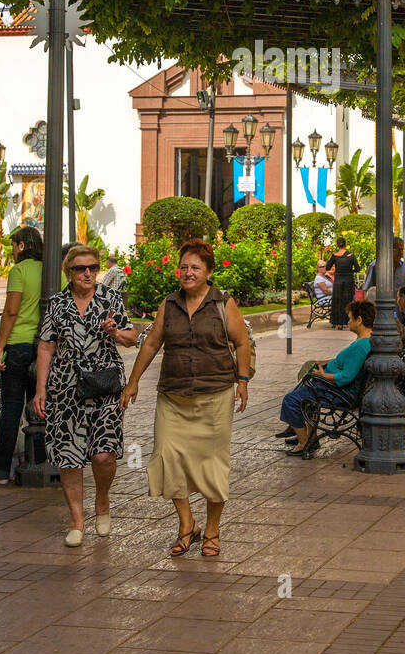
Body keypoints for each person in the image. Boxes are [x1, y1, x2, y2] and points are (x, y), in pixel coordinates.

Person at [121, 238, 251, 559]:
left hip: (215, 394)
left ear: (208, 271)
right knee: (167, 458)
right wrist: (133, 381)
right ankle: (186, 525)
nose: (188, 272)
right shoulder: (170, 304)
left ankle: (212, 531)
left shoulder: (223, 303)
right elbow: (152, 343)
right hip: (173, 395)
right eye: (183, 267)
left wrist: (243, 380)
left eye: (195, 267)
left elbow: (243, 342)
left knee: (212, 465)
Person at [34, 243, 138, 546]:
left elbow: (132, 337)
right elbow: (45, 346)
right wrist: (41, 389)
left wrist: (115, 333)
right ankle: (77, 521)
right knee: (69, 456)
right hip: (65, 388)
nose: (89, 273)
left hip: (104, 386)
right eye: (81, 268)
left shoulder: (111, 299)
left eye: (93, 267)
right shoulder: (57, 303)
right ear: (70, 271)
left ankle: (102, 501)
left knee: (103, 455)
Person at [0, 226, 44, 487]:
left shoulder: (19, 271)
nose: (11, 250)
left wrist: (0, 347)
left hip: (18, 346)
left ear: (21, 246)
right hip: (44, 347)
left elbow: (10, 312)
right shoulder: (54, 269)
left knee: (11, 407)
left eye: (13, 245)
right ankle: (40, 461)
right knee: (39, 407)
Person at [277, 300, 376, 458]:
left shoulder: (360, 346)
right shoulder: (367, 341)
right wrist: (328, 363)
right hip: (338, 388)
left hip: (339, 392)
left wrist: (323, 375)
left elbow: (346, 377)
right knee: (305, 383)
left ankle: (304, 443)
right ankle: (308, 435)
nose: (348, 322)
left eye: (350, 318)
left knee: (291, 399)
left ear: (359, 320)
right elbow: (347, 364)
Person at [325, 236, 360, 329]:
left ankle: (336, 322)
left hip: (338, 281)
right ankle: (346, 322)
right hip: (348, 281)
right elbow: (357, 268)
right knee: (347, 301)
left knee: (337, 301)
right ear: (345, 244)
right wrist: (350, 271)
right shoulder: (351, 255)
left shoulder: (335, 256)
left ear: (337, 245)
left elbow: (327, 268)